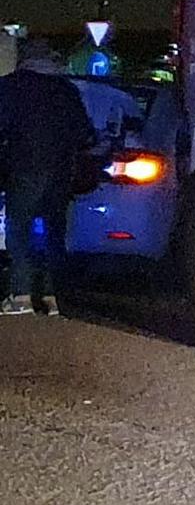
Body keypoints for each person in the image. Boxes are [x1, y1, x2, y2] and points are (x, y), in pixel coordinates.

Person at [0, 39, 97, 316]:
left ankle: (21, 296)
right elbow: (85, 134)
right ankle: (53, 298)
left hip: (25, 165)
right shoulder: (66, 89)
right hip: (62, 170)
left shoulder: (11, 86)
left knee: (19, 228)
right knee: (54, 234)